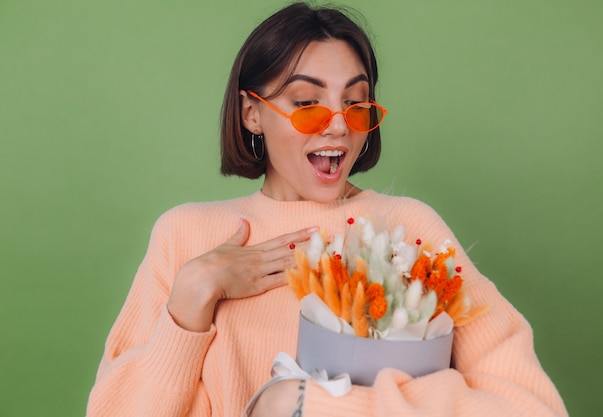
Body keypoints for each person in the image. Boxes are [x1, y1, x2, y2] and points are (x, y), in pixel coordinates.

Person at [86, 2, 568, 416]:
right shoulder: (185, 238)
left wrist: (304, 403)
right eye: (307, 103)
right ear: (251, 112)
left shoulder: (409, 230)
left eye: (356, 103)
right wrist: (189, 301)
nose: (338, 127)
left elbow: (530, 406)